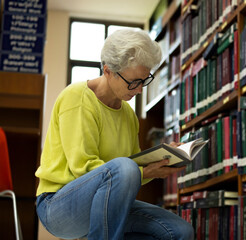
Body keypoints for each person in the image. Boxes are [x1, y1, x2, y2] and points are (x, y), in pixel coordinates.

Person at [35, 28, 194, 240]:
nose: (139, 90)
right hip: (57, 206)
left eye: (144, 81)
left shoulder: (129, 115)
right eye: (134, 82)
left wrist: (160, 163)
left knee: (181, 232)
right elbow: (83, 169)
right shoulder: (77, 99)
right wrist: (141, 172)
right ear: (108, 70)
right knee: (124, 167)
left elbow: (128, 175)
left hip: (109, 203)